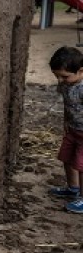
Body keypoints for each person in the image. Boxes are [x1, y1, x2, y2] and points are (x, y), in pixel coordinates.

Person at [48, 46, 83, 213]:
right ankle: (73, 188)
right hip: (72, 130)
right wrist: (65, 123)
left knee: (81, 166)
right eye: (57, 77)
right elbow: (67, 105)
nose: (60, 80)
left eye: (64, 76)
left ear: (81, 71)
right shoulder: (64, 85)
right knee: (67, 159)